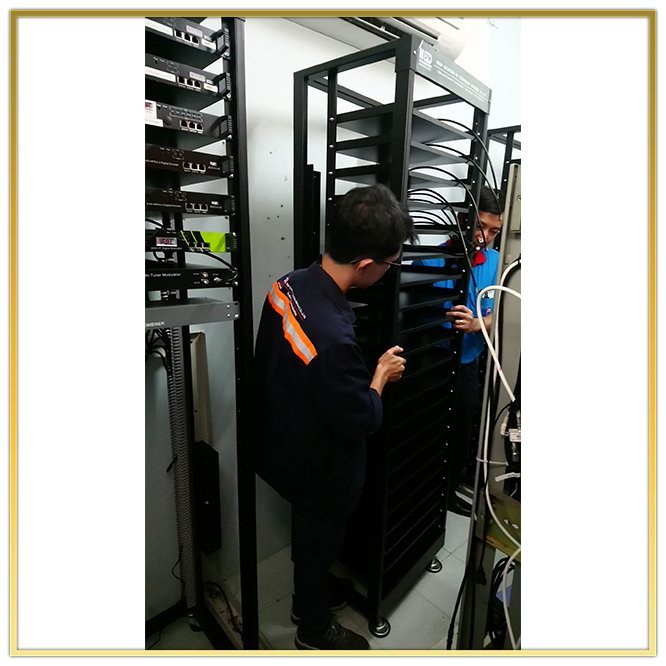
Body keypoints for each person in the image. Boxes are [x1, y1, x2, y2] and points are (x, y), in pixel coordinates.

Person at [253, 184, 414, 650]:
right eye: (389, 265)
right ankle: (313, 628)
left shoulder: (288, 284)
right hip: (317, 466)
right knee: (319, 537)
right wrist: (380, 375)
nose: (387, 272)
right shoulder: (334, 339)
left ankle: (309, 597)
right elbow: (361, 418)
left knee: (310, 532)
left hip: (279, 440)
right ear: (365, 265)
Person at [413, 186, 503, 518]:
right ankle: (428, 489)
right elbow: (412, 313)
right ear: (464, 220)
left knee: (463, 429)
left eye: (494, 231)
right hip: (432, 362)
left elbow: (506, 311)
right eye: (481, 226)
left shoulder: (497, 263)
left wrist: (479, 323)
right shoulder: (430, 259)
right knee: (430, 430)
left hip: (467, 363)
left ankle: (450, 488)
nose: (486, 237)